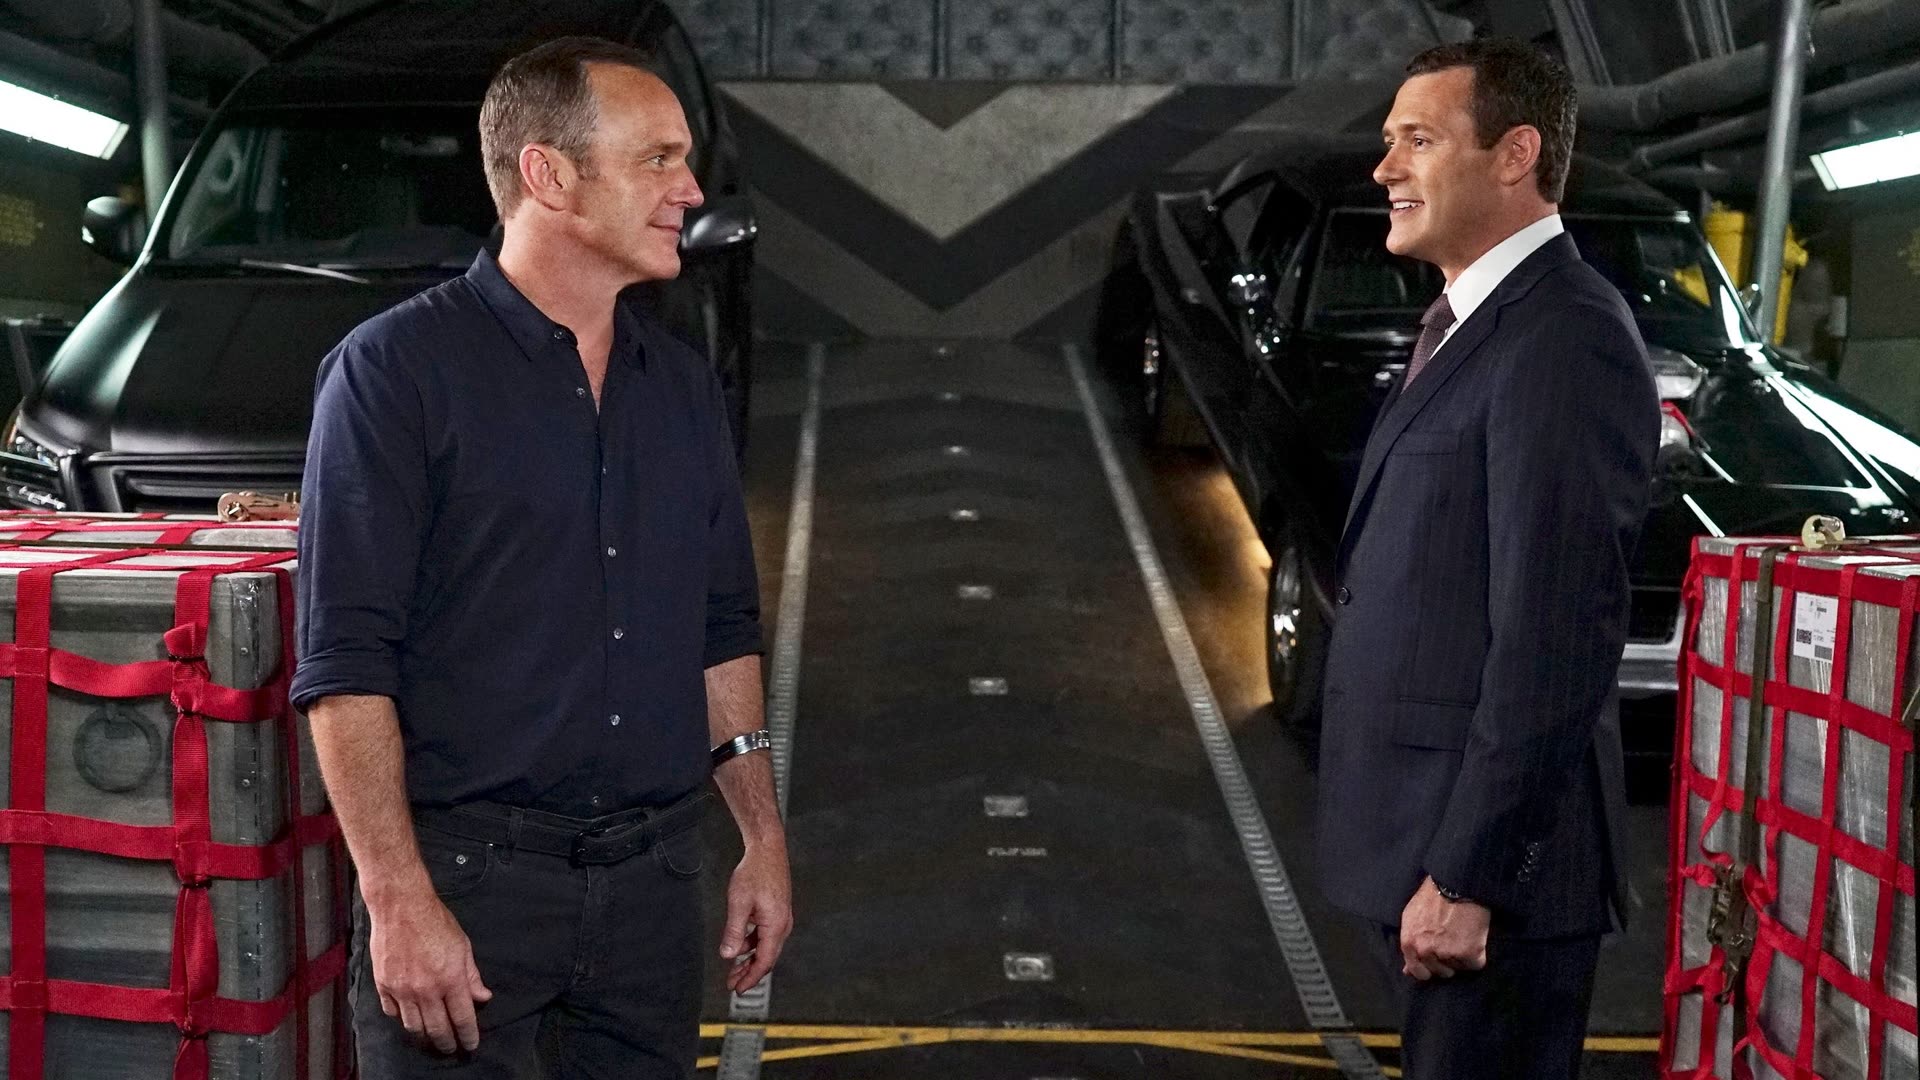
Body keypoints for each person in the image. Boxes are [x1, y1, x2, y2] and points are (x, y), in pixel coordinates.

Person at [291, 36, 792, 1079]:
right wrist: (399, 900)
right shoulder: (395, 375)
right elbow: (346, 664)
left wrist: (761, 840)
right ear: (549, 176)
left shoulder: (682, 387)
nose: (690, 190)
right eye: (658, 159)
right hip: (471, 891)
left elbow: (721, 629)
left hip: (654, 895)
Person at [1314, 37, 1656, 1078]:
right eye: (1388, 141)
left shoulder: (1563, 336)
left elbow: (1556, 636)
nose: (1385, 167)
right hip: (1422, 847)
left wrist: (1470, 875)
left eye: (1418, 140)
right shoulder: (1474, 323)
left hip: (1491, 881)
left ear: (1515, 155)